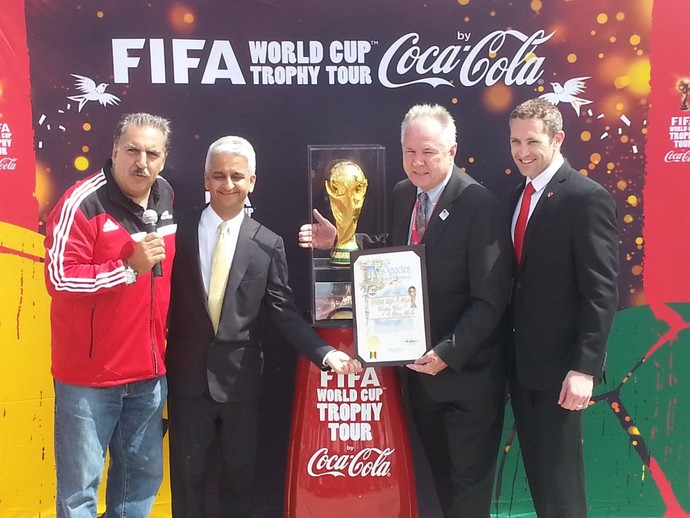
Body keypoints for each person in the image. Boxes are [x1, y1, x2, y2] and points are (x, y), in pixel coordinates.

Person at [299, 104, 513, 517]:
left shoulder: (478, 204)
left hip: (468, 381)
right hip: (420, 379)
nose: (418, 162)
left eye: (428, 152)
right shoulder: (403, 193)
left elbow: (491, 300)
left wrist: (447, 353)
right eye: (409, 151)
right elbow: (394, 250)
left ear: (452, 150)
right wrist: (341, 240)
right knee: (444, 484)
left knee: (469, 493)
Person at [165, 136, 362, 517]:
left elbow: (283, 312)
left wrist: (325, 353)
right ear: (205, 179)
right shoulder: (179, 233)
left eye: (237, 176)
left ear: (252, 181)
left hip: (242, 386)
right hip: (187, 382)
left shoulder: (267, 243)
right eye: (218, 175)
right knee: (186, 484)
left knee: (239, 483)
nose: (227, 184)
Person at [44, 112, 175, 517]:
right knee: (79, 491)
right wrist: (127, 268)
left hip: (149, 375)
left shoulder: (165, 195)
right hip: (89, 378)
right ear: (114, 150)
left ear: (164, 159)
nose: (142, 162)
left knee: (139, 482)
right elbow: (59, 277)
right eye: (132, 150)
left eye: (152, 153)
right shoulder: (81, 202)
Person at [507, 98, 619, 517]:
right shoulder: (520, 194)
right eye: (515, 141)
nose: (521, 152)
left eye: (532, 141)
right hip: (523, 368)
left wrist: (585, 368)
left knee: (562, 487)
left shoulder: (586, 198)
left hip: (561, 372)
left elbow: (601, 290)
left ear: (558, 139)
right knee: (541, 479)